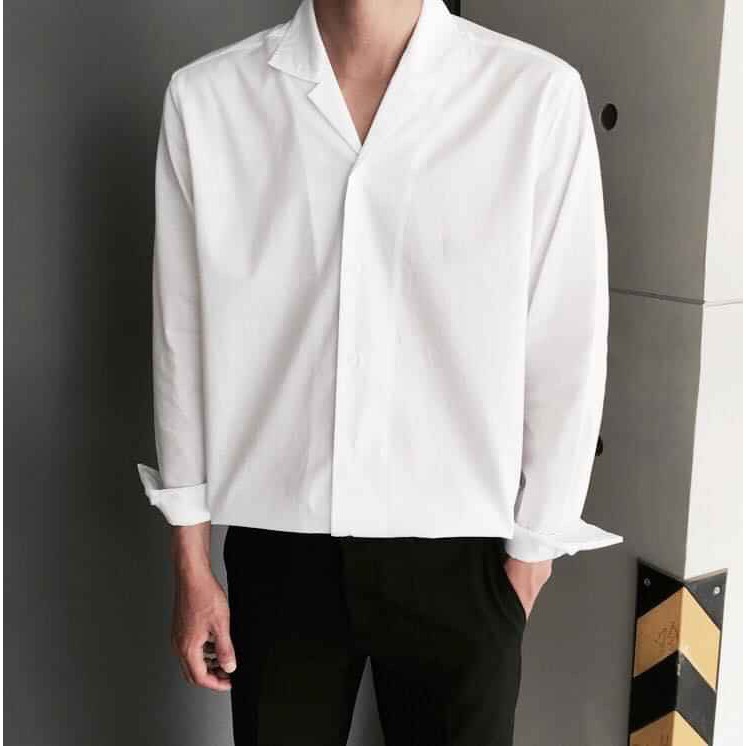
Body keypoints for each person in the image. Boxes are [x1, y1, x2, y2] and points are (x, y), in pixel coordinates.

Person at [136, 0, 624, 743]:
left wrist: (532, 557)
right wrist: (190, 556)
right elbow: (181, 336)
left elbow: (566, 342)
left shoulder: (532, 96)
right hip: (280, 547)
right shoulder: (209, 99)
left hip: (463, 555)